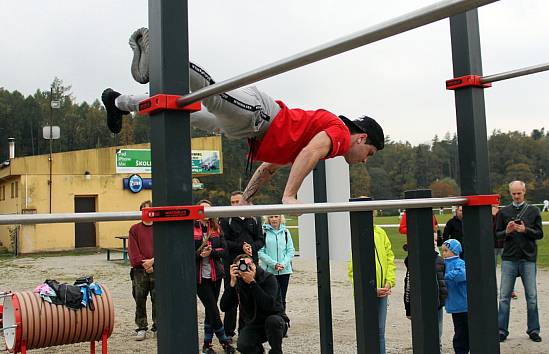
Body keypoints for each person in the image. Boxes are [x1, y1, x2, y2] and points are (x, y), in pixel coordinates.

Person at [101, 27, 385, 206]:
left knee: (179, 111)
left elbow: (267, 168)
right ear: (361, 137)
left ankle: (118, 101)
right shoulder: (336, 133)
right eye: (369, 152)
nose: (364, 160)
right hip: (258, 116)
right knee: (212, 94)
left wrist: (245, 200)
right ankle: (163, 54)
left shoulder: (305, 142)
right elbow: (310, 154)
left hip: (246, 129)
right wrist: (290, 196)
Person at [495, 181, 544, 343]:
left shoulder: (533, 211)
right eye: (514, 193)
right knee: (504, 297)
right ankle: (501, 330)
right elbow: (497, 235)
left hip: (528, 258)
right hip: (509, 258)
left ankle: (534, 329)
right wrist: (507, 231)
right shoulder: (504, 212)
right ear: (510, 193)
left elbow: (539, 233)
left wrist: (526, 230)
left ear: (524, 192)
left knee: (532, 296)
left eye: (519, 193)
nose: (516, 196)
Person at [219, 191, 265, 338]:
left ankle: (246, 330)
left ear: (245, 202)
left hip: (251, 263)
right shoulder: (226, 219)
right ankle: (228, 332)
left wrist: (252, 247)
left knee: (249, 296)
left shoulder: (255, 218)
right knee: (232, 296)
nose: (234, 205)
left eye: (237, 202)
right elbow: (224, 242)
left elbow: (260, 240)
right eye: (232, 202)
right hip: (231, 263)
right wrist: (241, 247)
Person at [220, 254, 287, 354]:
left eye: (249, 265)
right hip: (253, 324)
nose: (246, 268)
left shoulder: (268, 278)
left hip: (275, 322)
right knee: (243, 345)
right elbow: (224, 307)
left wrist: (252, 283)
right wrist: (232, 284)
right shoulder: (238, 281)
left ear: (255, 265)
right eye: (242, 266)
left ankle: (276, 351)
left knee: (273, 321)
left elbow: (269, 305)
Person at [347, 219, 396, 354]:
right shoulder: (358, 235)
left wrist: (389, 282)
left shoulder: (381, 233)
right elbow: (353, 270)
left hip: (383, 291)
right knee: (367, 331)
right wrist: (369, 290)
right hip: (366, 294)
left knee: (380, 332)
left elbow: (390, 258)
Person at [194, 200, 236, 354]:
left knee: (210, 310)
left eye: (209, 210)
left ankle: (207, 344)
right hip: (199, 277)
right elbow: (185, 254)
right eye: (203, 210)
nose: (206, 213)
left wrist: (211, 252)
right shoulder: (190, 228)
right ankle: (224, 341)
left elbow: (224, 252)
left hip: (215, 275)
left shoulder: (217, 228)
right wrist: (200, 254)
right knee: (213, 308)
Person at [127, 200, 156, 341]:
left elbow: (165, 248)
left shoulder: (160, 228)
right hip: (139, 271)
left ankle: (158, 326)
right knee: (139, 299)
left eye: (150, 210)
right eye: (144, 210)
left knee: (158, 299)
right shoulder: (134, 229)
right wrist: (145, 263)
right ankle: (141, 327)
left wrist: (153, 261)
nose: (147, 212)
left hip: (158, 269)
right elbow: (133, 253)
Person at [258, 215, 295, 311]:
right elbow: (260, 252)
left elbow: (290, 251)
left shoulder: (286, 232)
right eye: (271, 217)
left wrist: (283, 264)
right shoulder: (263, 232)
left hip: (284, 271)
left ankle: (282, 321)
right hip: (269, 271)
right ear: (268, 219)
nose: (274, 219)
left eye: (276, 216)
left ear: (280, 218)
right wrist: (273, 264)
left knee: (282, 298)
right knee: (271, 297)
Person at [442, 239, 469, 354]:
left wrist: (446, 276)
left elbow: (462, 275)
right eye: (442, 251)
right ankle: (460, 350)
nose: (443, 253)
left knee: (466, 329)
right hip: (454, 305)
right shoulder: (443, 263)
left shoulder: (459, 262)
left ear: (454, 251)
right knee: (459, 330)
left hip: (464, 304)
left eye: (446, 251)